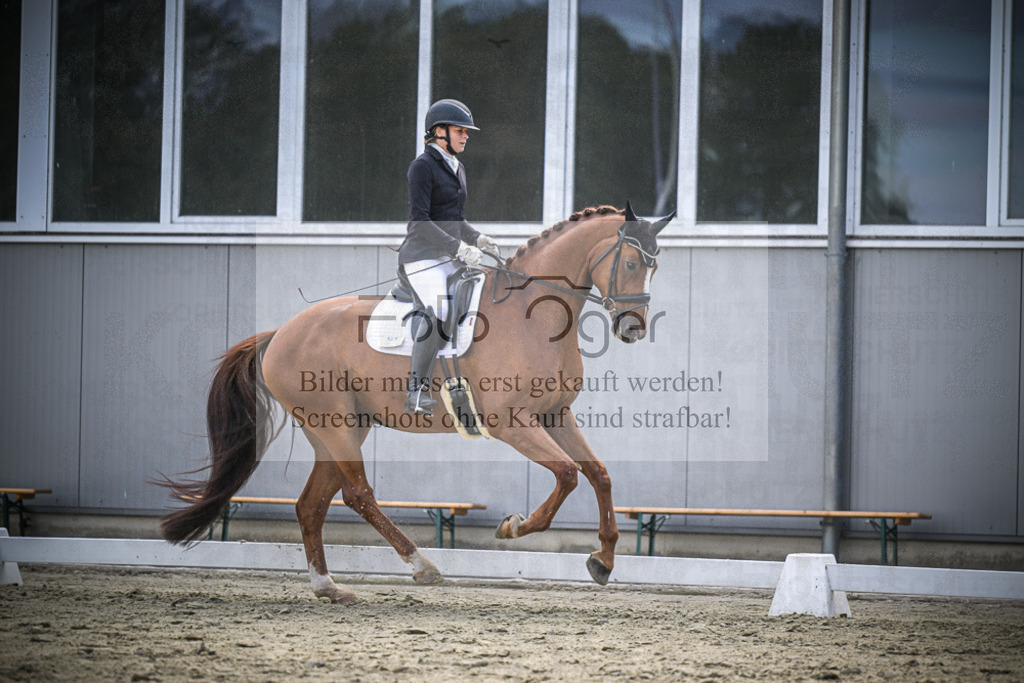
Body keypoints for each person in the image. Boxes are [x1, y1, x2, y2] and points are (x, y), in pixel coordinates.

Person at [399, 99, 500, 415]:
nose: (466, 136)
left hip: (448, 257)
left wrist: (476, 238)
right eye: (460, 131)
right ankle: (416, 391)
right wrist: (458, 248)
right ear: (439, 132)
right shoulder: (422, 166)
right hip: (421, 257)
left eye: (466, 132)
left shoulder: (458, 167)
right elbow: (420, 221)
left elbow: (454, 218)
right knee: (440, 308)